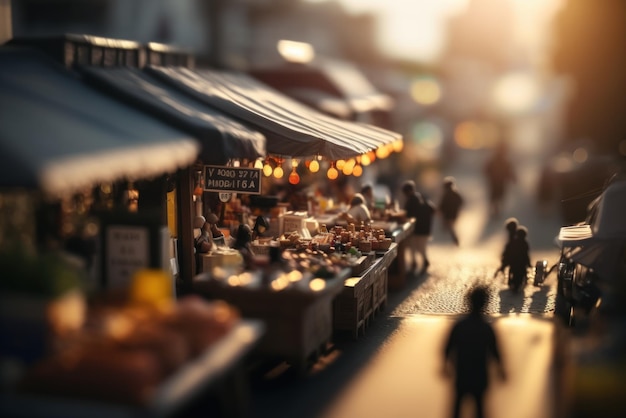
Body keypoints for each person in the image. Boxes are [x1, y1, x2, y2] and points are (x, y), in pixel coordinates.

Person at [443, 286, 506, 418]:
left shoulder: (460, 326)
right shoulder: (486, 328)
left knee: (457, 408)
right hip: (480, 376)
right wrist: (501, 369)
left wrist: (445, 365)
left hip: (462, 374)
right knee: (479, 409)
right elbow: (495, 350)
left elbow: (448, 346)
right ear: (485, 303)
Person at [402, 180, 436, 275]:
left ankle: (417, 263)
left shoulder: (412, 200)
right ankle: (420, 263)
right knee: (420, 247)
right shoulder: (420, 197)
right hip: (424, 227)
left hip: (418, 229)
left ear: (408, 191)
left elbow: (406, 213)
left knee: (416, 246)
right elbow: (432, 209)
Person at [483, 141, 516, 217]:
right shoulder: (503, 160)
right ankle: (496, 210)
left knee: (496, 196)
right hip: (498, 182)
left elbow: (487, 169)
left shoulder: (497, 160)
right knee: (498, 196)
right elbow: (508, 170)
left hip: (496, 182)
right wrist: (512, 178)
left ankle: (495, 210)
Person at [438, 176, 464, 246]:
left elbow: (442, 204)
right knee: (451, 226)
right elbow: (461, 201)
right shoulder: (455, 194)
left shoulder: (446, 194)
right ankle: (454, 239)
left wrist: (440, 210)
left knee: (450, 227)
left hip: (448, 214)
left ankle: (455, 239)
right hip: (454, 213)